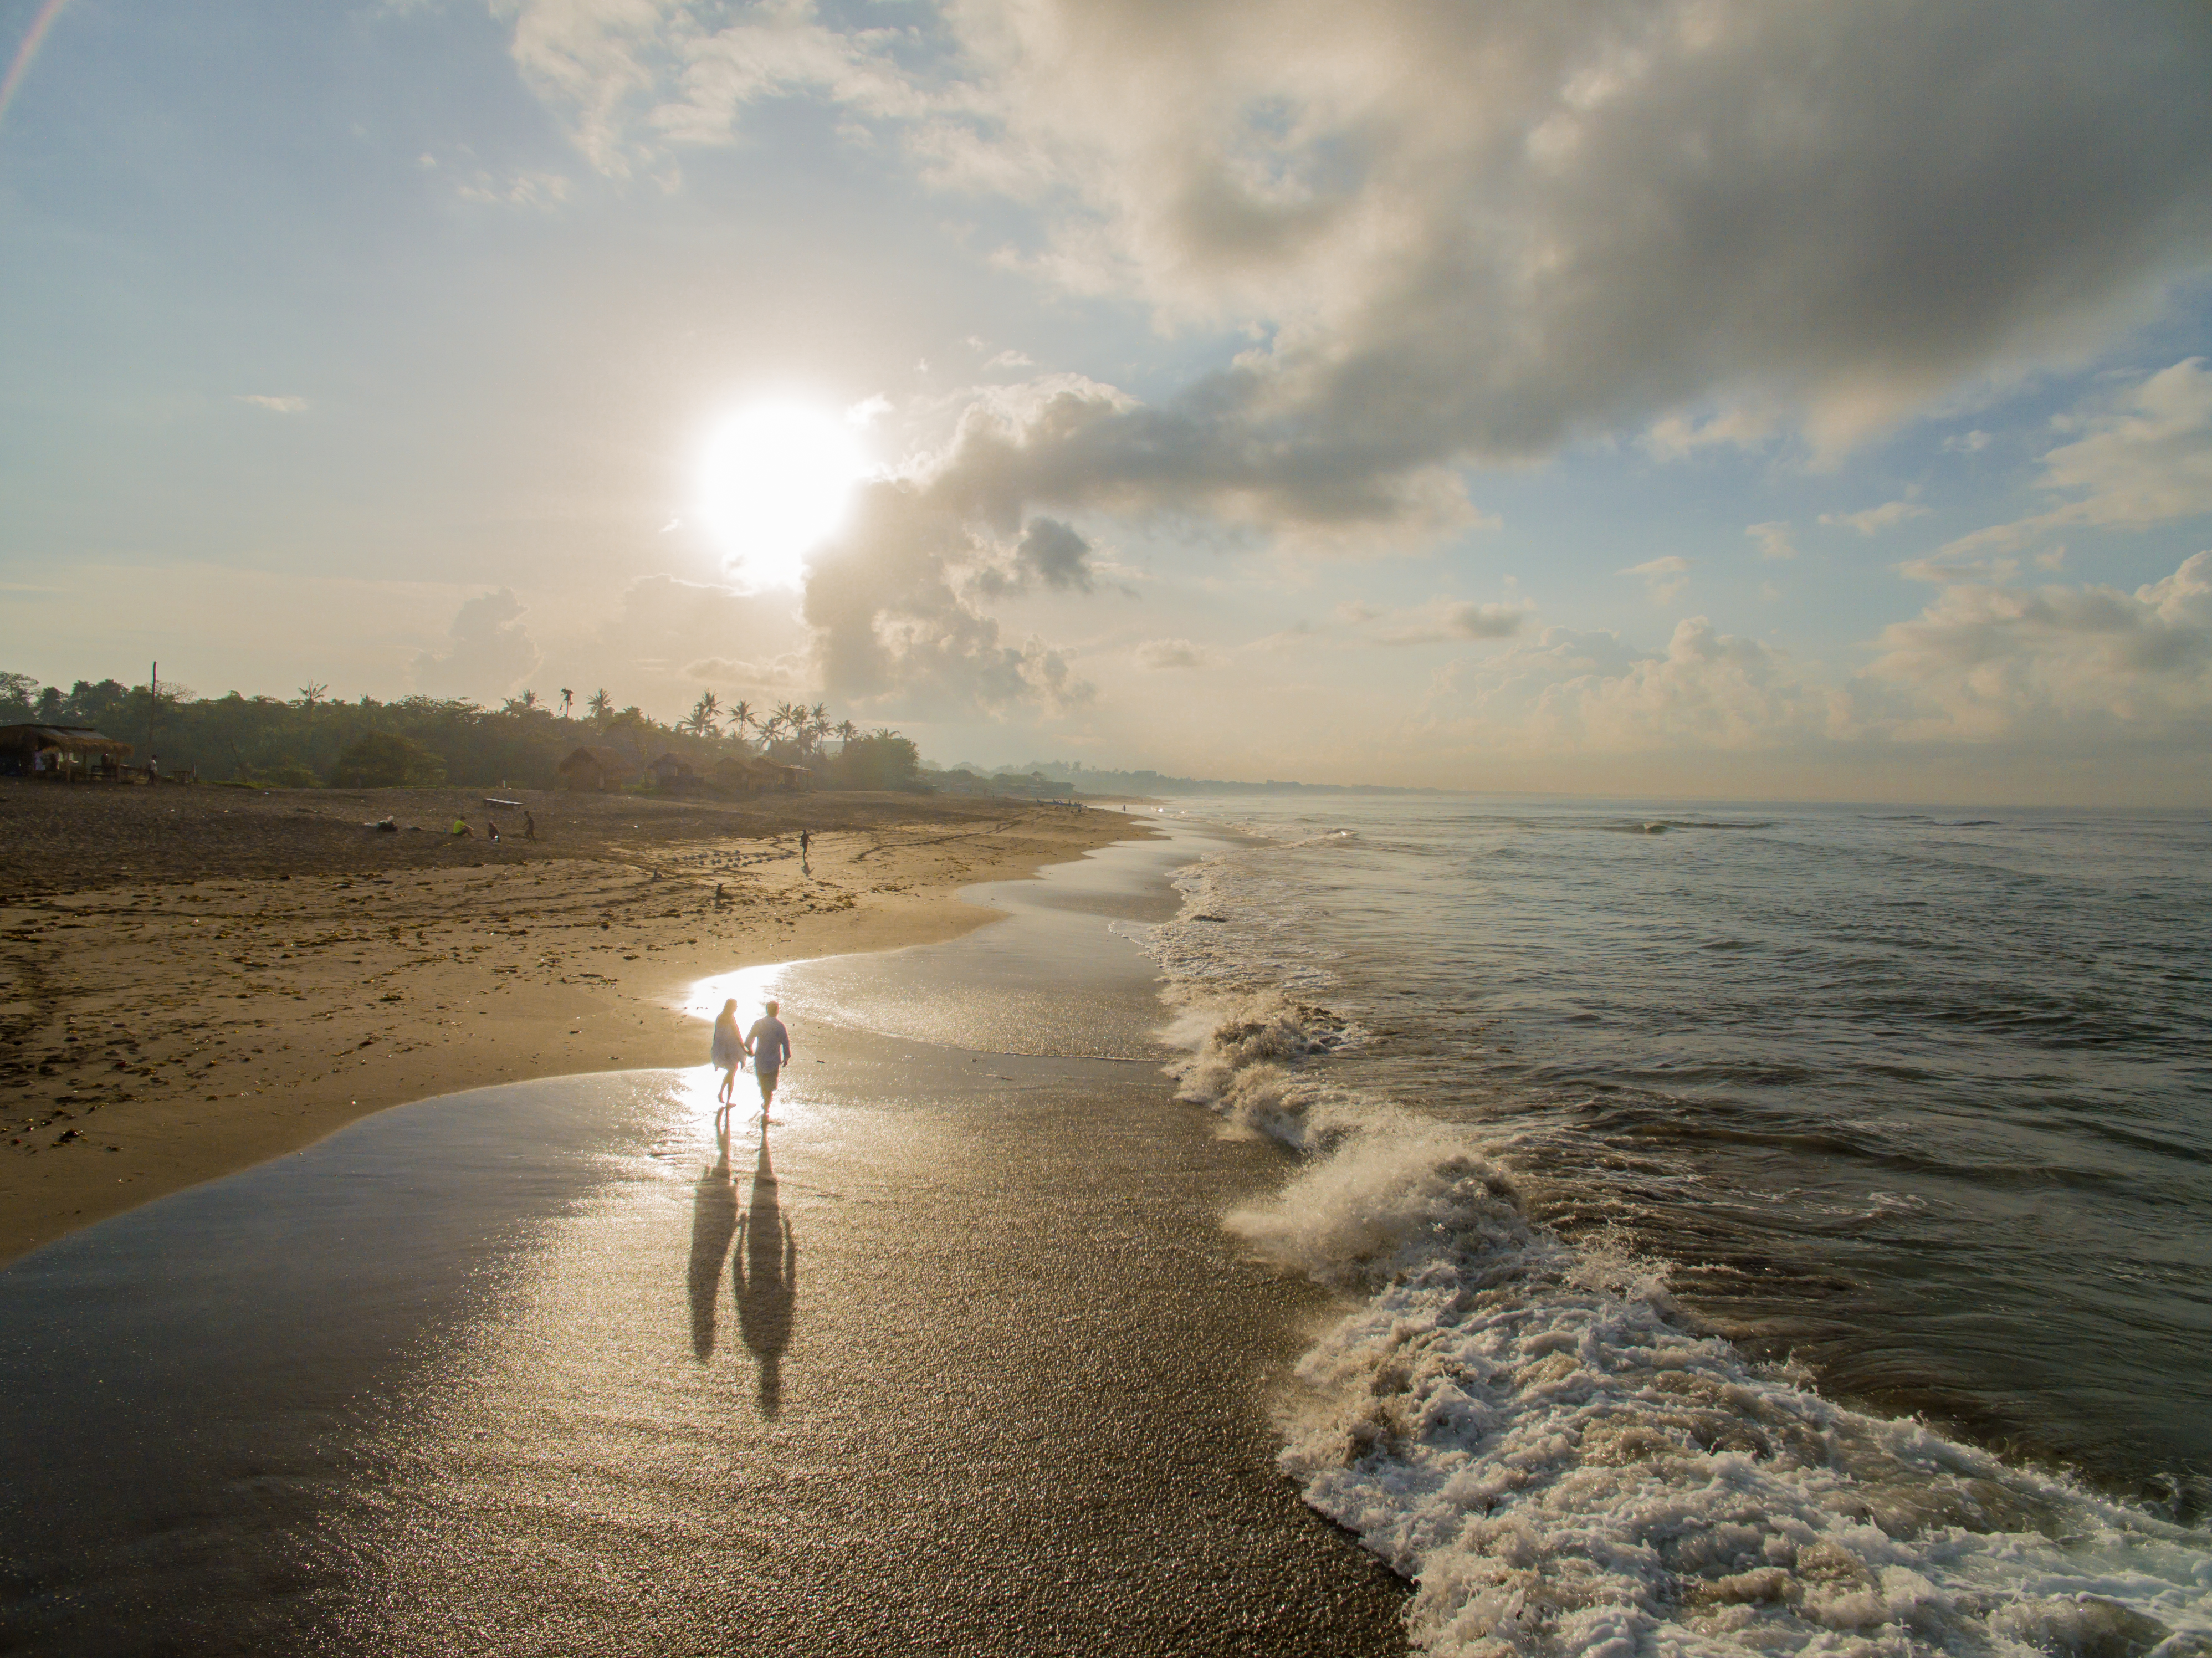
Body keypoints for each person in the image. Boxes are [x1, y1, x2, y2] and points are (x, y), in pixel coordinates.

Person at [744, 1000, 792, 1120]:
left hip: (760, 1059)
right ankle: (767, 1105)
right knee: (770, 1086)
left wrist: (750, 1050)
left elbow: (749, 1039)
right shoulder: (780, 1026)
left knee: (762, 1084)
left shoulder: (759, 1023)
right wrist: (786, 1057)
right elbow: (786, 1043)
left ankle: (766, 1103)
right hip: (774, 1061)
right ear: (777, 1011)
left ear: (767, 1010)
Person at [710, 997, 745, 1118]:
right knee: (732, 1073)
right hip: (731, 1049)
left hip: (722, 1048)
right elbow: (737, 1035)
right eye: (735, 1006)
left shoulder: (720, 1017)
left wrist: (715, 1049)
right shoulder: (730, 1019)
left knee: (732, 1072)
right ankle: (725, 1097)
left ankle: (724, 1096)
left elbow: (717, 1034)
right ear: (731, 1007)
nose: (736, 1008)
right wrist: (744, 1050)